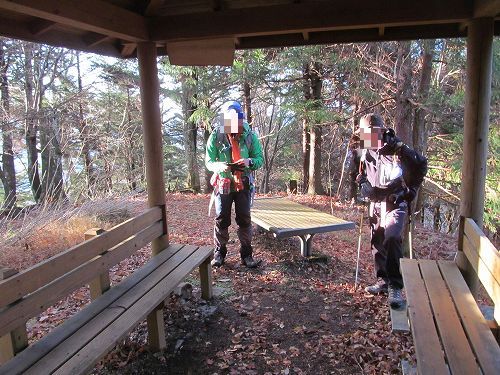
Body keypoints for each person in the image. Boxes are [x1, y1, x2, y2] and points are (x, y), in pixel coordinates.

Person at [355, 113, 427, 308]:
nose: (367, 137)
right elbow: (362, 172)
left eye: (371, 133)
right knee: (377, 241)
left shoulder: (397, 149)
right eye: (364, 133)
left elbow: (421, 164)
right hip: (375, 203)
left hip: (396, 202)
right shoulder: (365, 151)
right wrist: (362, 182)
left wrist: (412, 190)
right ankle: (383, 282)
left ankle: (396, 286)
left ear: (380, 131)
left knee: (392, 237)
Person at [205, 101, 263, 268]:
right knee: (222, 219)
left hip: (243, 183)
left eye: (235, 120)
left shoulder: (250, 136)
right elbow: (209, 161)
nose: (231, 124)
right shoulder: (216, 136)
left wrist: (249, 161)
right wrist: (218, 166)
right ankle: (219, 253)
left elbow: (259, 159)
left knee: (244, 219)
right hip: (223, 183)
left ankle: (246, 255)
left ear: (240, 119)